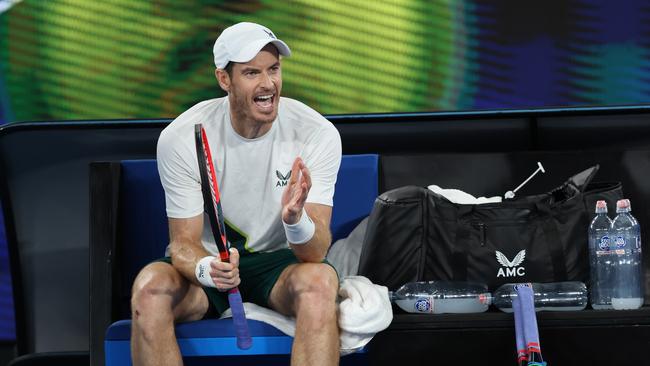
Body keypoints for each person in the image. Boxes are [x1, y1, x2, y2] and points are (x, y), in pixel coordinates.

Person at [129, 22, 342, 366]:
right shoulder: (183, 137)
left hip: (281, 266)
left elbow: (315, 252)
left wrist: (295, 219)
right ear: (224, 80)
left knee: (319, 285)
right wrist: (205, 268)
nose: (268, 84)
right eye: (251, 73)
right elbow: (183, 241)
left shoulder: (316, 133)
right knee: (149, 289)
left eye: (274, 69)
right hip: (211, 268)